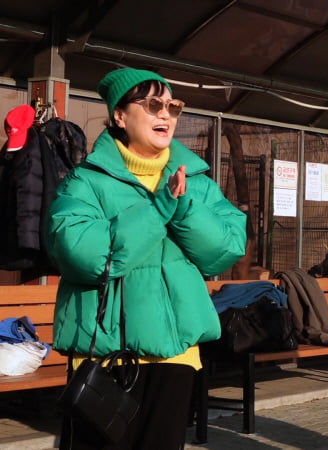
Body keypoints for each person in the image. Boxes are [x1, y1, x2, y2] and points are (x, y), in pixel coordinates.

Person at [46, 68, 247, 449]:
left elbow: (225, 249)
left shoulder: (197, 182)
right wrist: (158, 209)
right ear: (119, 115)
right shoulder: (85, 182)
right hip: (105, 356)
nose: (165, 115)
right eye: (153, 104)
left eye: (173, 106)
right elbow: (84, 255)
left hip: (175, 354)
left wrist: (184, 204)